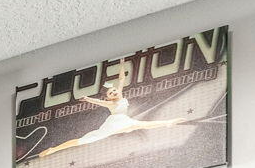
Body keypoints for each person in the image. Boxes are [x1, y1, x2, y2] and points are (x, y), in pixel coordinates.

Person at [29, 62, 194, 159]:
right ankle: (54, 149)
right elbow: (99, 102)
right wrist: (88, 99)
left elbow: (121, 79)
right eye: (111, 93)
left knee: (141, 125)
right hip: (115, 123)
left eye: (115, 91)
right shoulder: (111, 104)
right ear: (109, 98)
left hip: (121, 122)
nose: (115, 92)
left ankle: (169, 123)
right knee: (82, 140)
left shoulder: (120, 95)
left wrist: (122, 62)